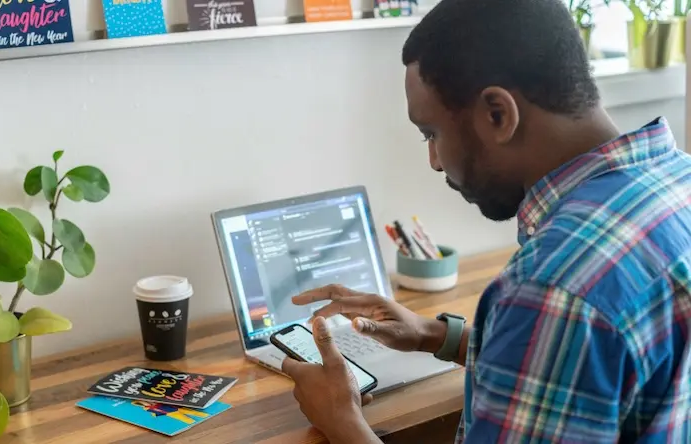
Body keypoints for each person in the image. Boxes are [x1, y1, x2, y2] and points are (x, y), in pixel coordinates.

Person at [280, 0, 691, 442]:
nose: (435, 162)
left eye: (431, 133)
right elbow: (598, 365)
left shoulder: (553, 287)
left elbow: (564, 317)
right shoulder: (677, 182)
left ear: (498, 114)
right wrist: (436, 336)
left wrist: (343, 422)